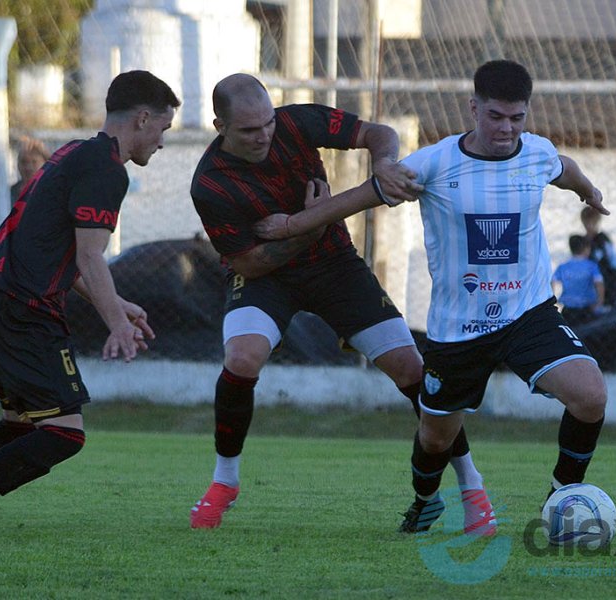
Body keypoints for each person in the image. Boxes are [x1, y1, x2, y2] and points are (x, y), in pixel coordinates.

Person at [253, 60, 608, 534]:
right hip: (459, 328)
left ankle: (561, 499)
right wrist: (294, 224)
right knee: (435, 435)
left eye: (517, 118)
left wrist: (589, 191)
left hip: (529, 313)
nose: (507, 128)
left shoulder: (536, 153)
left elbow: (564, 169)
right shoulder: (434, 164)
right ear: (473, 108)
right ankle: (425, 500)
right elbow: (364, 195)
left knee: (591, 396)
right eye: (496, 117)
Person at [188, 73, 495, 534]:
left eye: (268, 122)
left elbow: (379, 133)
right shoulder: (210, 184)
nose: (264, 135)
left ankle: (472, 487)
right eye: (249, 129)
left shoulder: (295, 123)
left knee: (414, 370)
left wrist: (386, 162)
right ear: (219, 126)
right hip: (268, 277)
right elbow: (250, 265)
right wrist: (309, 225)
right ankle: (224, 481)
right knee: (242, 356)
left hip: (335, 267)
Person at [0, 70, 180, 541]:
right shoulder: (107, 169)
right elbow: (89, 254)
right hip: (23, 307)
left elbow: (60, 253)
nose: (161, 142)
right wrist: (116, 323)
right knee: (65, 433)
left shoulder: (73, 154)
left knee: (21, 424)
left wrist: (117, 301)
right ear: (143, 119)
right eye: (162, 129)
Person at [552, 235, 605, 327]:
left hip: (568, 309)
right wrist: (599, 302)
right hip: (586, 308)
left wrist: (552, 300)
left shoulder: (563, 267)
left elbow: (553, 282)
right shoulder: (591, 266)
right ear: (586, 249)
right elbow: (599, 284)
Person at [580, 206, 616, 308]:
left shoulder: (603, 241)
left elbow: (614, 263)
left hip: (605, 281)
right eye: (587, 222)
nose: (589, 226)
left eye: (592, 222)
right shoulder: (582, 242)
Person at [10, 136, 51, 206]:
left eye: (34, 162)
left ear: (45, 163)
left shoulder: (52, 190)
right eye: (23, 162)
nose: (28, 167)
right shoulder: (10, 193)